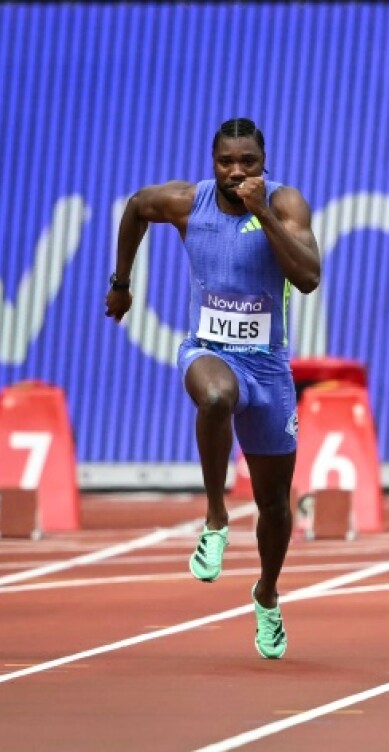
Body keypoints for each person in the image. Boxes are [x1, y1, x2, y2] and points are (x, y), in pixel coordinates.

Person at [105, 118, 321, 657]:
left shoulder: (285, 203)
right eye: (226, 161)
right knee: (217, 396)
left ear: (263, 161)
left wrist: (262, 214)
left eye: (247, 161)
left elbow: (310, 276)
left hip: (269, 369)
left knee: (274, 507)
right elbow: (135, 206)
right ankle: (215, 517)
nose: (236, 171)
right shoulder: (188, 203)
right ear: (212, 161)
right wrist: (121, 283)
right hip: (209, 351)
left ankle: (266, 594)